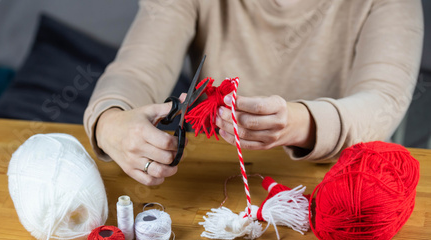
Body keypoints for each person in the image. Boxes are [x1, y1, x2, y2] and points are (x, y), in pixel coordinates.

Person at [84, 0, 423, 186]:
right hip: (216, 182)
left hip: (337, 182)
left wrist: (298, 123)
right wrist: (110, 122)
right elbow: (137, 69)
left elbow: (383, 100)